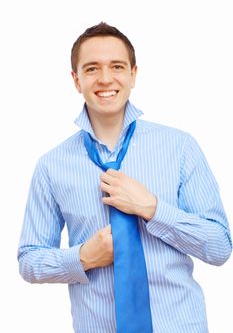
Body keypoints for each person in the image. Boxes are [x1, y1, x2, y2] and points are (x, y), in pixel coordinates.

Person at [18, 22, 232, 333]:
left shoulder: (180, 147)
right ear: (76, 80)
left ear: (133, 74)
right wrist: (83, 257)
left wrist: (153, 209)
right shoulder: (51, 166)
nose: (106, 78)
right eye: (92, 68)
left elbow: (220, 246)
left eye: (116, 66)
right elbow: (29, 261)